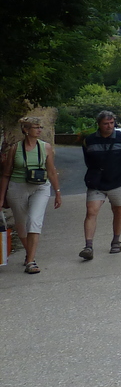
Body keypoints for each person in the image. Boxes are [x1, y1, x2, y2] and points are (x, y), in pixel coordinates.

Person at [0, 116, 62, 273]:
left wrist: (58, 192)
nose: (40, 130)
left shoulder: (45, 147)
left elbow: (52, 171)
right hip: (18, 186)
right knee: (21, 223)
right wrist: (1, 198)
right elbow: (6, 174)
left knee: (35, 221)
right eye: (36, 127)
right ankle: (29, 255)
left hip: (40, 187)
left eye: (40, 127)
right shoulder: (15, 149)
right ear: (26, 130)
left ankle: (31, 261)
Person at [80, 110, 121, 259]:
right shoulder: (89, 140)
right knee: (91, 211)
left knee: (117, 210)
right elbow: (88, 161)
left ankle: (116, 241)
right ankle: (88, 246)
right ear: (99, 124)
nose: (109, 126)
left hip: (118, 181)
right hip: (96, 182)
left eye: (111, 123)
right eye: (106, 123)